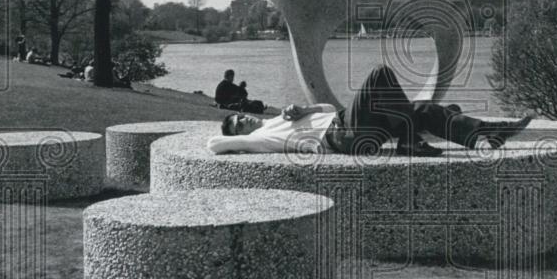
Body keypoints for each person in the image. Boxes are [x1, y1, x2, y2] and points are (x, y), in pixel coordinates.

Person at [208, 64, 531, 157]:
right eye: (237, 124)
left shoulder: (278, 119)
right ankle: (409, 140)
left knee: (422, 109)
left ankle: (484, 136)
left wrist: (304, 107)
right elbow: (217, 144)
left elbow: (325, 107)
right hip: (344, 135)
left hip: (349, 123)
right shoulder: (261, 140)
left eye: (240, 116)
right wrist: (231, 140)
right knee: (380, 75)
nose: (243, 119)